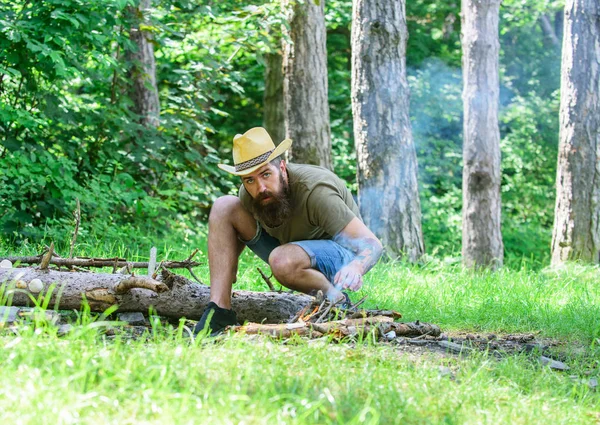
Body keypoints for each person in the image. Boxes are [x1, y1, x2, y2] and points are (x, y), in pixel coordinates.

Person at [194, 127, 383, 335]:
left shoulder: (316, 192)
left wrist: (356, 267)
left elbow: (372, 244)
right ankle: (219, 311)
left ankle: (336, 301)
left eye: (266, 174)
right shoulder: (251, 194)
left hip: (338, 256)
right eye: (249, 180)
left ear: (282, 168)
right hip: (287, 252)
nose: (261, 187)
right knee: (224, 206)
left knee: (282, 260)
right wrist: (230, 266)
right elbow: (236, 228)